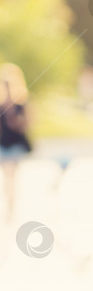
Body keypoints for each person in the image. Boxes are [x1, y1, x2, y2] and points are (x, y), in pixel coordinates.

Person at [0, 63, 33, 221]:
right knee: (7, 177)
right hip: (3, 144)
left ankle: (11, 207)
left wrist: (17, 121)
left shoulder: (21, 104)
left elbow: (28, 123)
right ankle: (9, 205)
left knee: (12, 177)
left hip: (15, 145)